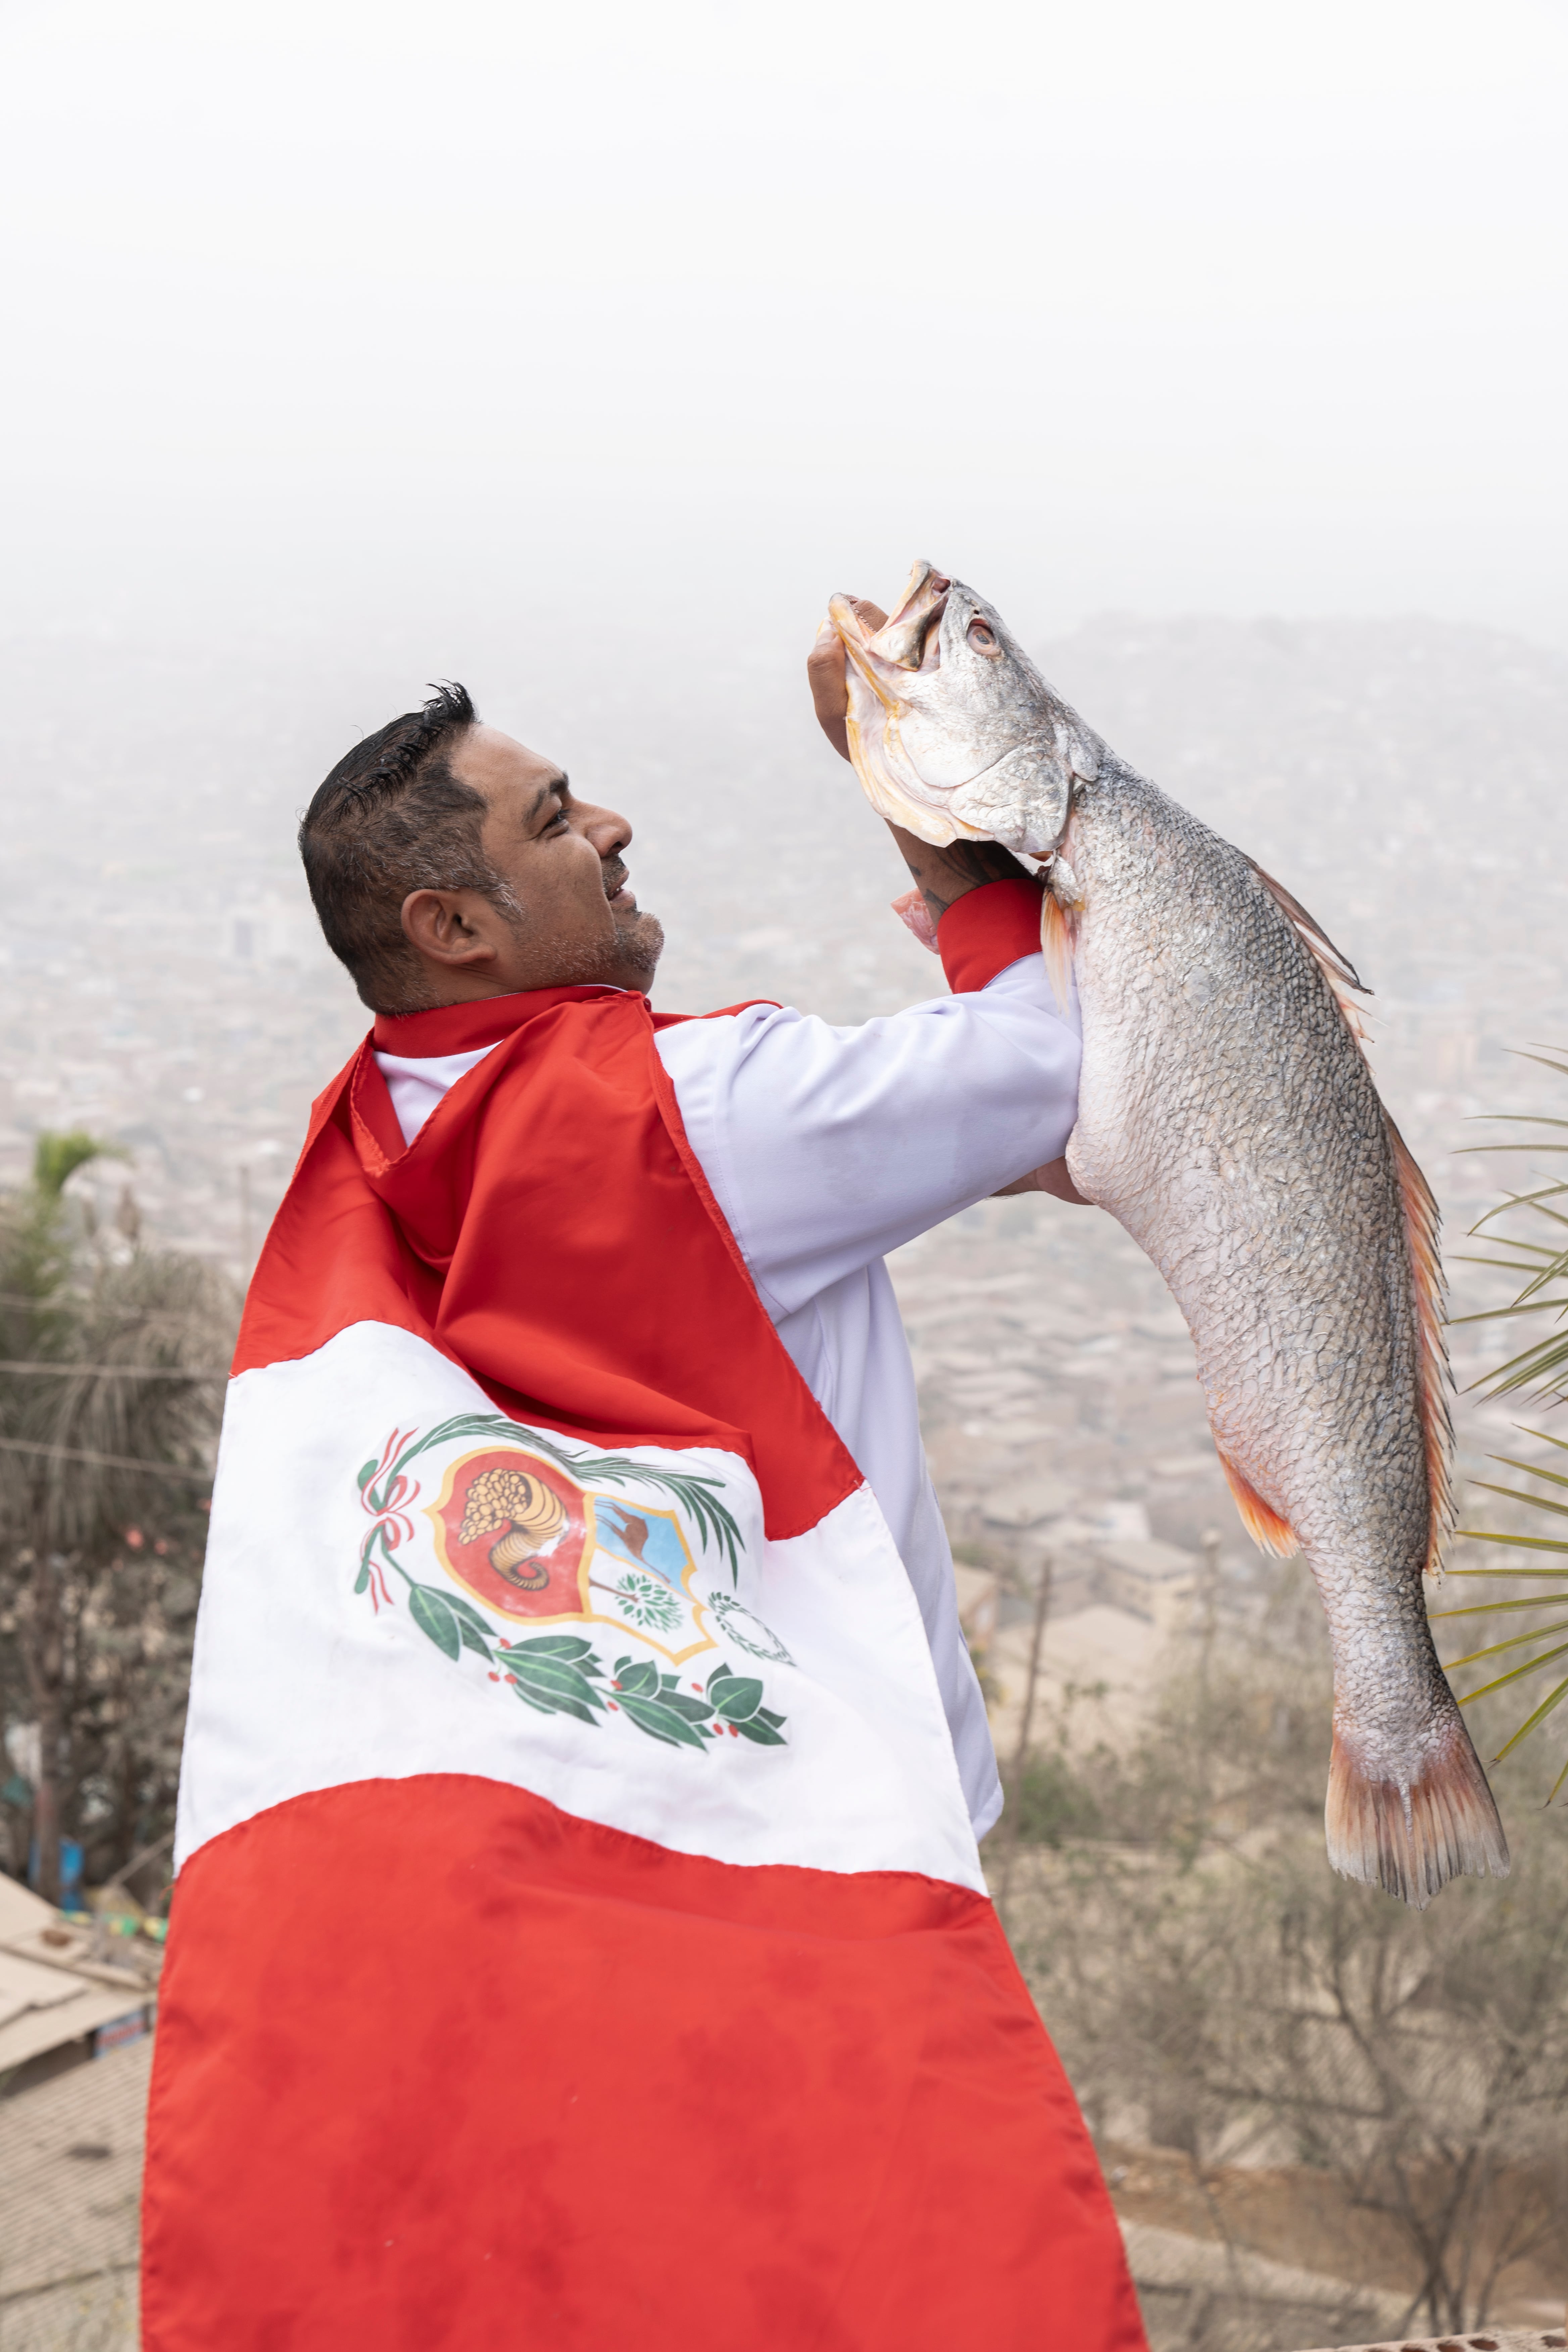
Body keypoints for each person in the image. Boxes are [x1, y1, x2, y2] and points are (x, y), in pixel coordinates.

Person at [140, 611, 1146, 2350]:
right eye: (555, 821)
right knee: (866, 2252)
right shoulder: (695, 1114)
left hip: (556, 1833)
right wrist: (924, 799)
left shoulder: (375, 1132)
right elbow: (1062, 1056)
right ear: (451, 926)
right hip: (802, 1826)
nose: (610, 830)